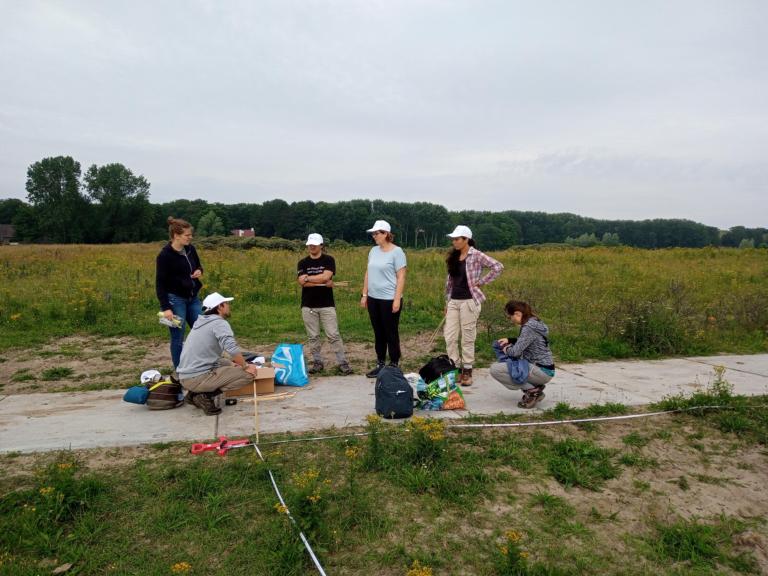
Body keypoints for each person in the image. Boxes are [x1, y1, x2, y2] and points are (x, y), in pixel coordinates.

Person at [176, 292, 259, 415]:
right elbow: (232, 348)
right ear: (220, 307)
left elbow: (209, 355)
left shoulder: (201, 323)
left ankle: (194, 394)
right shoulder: (219, 323)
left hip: (185, 377)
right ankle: (204, 396)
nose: (229, 306)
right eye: (226, 304)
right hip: (197, 377)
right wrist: (245, 366)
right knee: (248, 374)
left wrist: (231, 363)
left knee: (229, 365)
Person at [444, 225, 504, 386]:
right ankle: (454, 368)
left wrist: (481, 282)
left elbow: (497, 267)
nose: (454, 242)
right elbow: (450, 282)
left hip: (469, 301)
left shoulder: (476, 255)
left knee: (468, 337)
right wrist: (447, 302)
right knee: (449, 336)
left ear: (466, 239)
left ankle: (467, 371)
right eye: (453, 239)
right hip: (453, 302)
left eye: (457, 239)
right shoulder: (453, 257)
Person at [297, 233, 353, 375]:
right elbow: (302, 283)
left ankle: (342, 362)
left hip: (327, 304)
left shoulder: (329, 260)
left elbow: (326, 276)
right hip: (308, 305)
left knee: (333, 334)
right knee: (313, 336)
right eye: (310, 244)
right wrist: (320, 280)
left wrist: (308, 278)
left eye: (315, 244)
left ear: (321, 245)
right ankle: (317, 362)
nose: (312, 246)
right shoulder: (302, 263)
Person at [360, 220, 407, 378]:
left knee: (390, 332)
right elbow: (368, 273)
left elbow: (401, 277)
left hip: (389, 299)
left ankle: (394, 364)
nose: (374, 236)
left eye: (376, 233)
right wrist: (364, 294)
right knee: (378, 332)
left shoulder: (397, 252)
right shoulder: (373, 251)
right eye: (373, 234)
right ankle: (380, 363)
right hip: (374, 298)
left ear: (386, 234)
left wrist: (396, 299)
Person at [155, 217, 204, 369]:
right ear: (176, 235)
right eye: (187, 235)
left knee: (202, 330)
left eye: (191, 235)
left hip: (193, 298)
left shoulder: (191, 249)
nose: (190, 237)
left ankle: (200, 365)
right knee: (178, 337)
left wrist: (198, 271)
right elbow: (160, 284)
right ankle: (180, 371)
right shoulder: (165, 255)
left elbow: (199, 266)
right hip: (175, 301)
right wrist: (166, 308)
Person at [489, 300, 555, 409]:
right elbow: (527, 340)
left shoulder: (528, 327)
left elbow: (515, 353)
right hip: (544, 369)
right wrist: (510, 340)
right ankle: (533, 386)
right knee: (510, 367)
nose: (511, 320)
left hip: (540, 370)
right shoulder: (534, 323)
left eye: (510, 316)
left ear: (517, 313)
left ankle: (533, 391)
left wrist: (507, 348)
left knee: (495, 370)